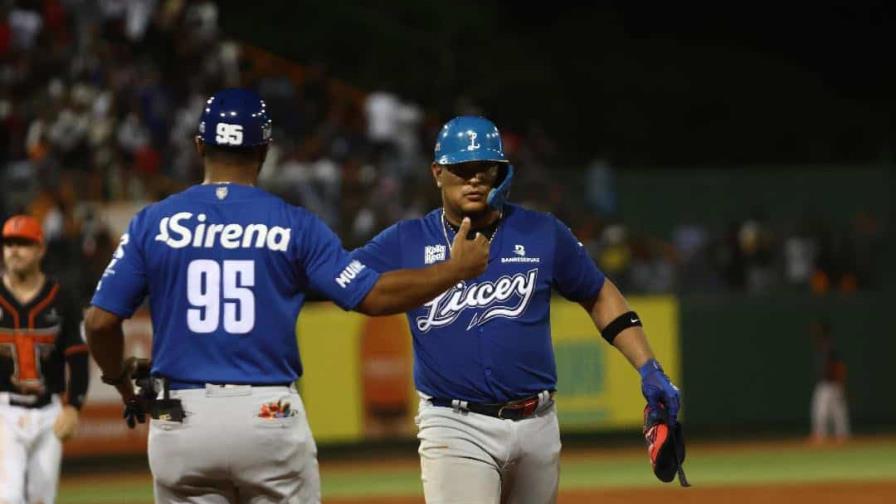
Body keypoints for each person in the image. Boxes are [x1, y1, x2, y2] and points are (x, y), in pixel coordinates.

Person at [83, 88, 489, 503]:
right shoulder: (293, 224)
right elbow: (372, 296)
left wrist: (121, 383)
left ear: (200, 145)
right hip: (267, 415)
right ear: (264, 150)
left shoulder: (153, 222)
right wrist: (456, 270)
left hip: (181, 418)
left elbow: (99, 321)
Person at [351, 116, 681, 504]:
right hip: (455, 424)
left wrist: (649, 368)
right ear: (438, 173)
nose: (474, 179)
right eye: (462, 169)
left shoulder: (541, 232)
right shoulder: (406, 241)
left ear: (501, 173)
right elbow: (344, 281)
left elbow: (598, 293)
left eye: (485, 169)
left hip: (537, 422)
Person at [0, 215, 89, 503]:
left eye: (24, 243)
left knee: (41, 499)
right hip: (3, 410)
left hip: (48, 411)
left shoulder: (61, 297)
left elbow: (77, 355)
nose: (14, 250)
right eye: (9, 243)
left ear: (40, 249)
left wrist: (74, 406)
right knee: (9, 497)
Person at [809, 319, 850, 444]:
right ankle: (821, 436)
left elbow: (840, 367)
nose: (815, 333)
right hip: (823, 384)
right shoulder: (822, 348)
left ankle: (843, 436)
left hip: (833, 384)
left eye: (818, 331)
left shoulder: (830, 349)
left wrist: (840, 382)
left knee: (838, 412)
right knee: (820, 411)